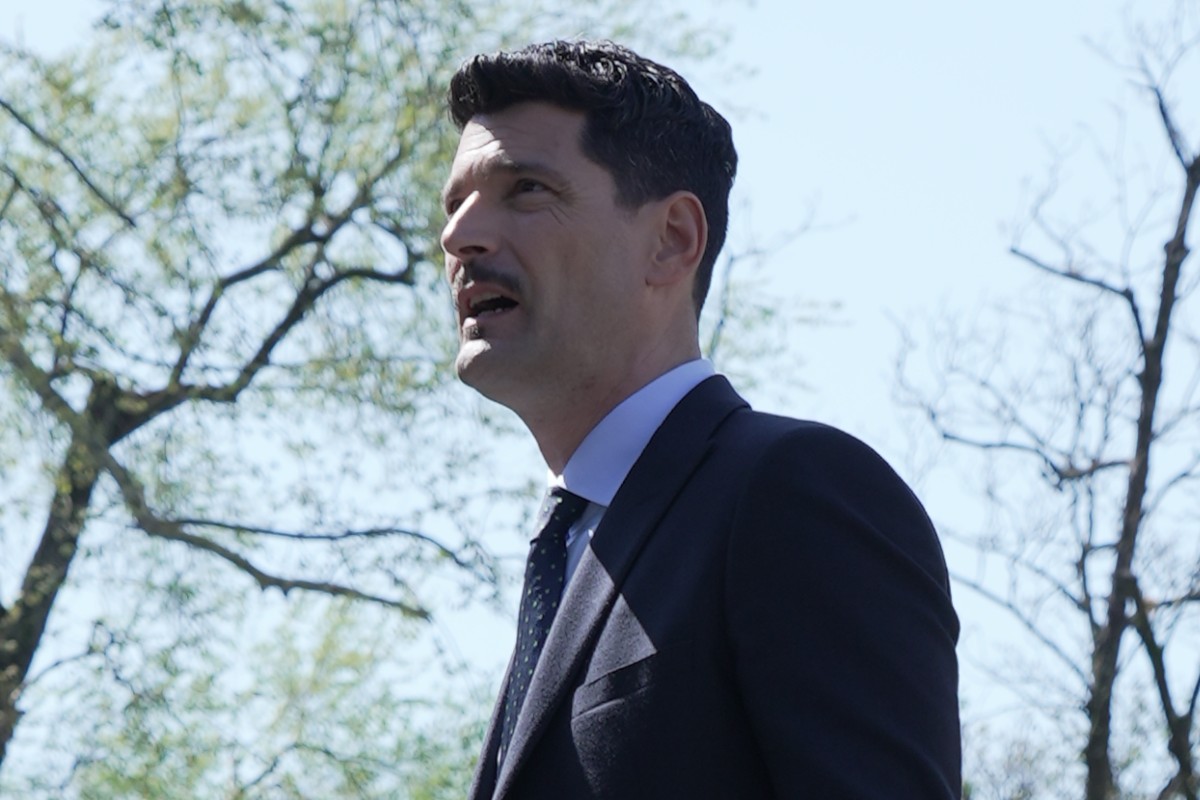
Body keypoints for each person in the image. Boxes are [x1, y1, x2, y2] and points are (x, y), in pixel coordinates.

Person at [440, 40, 961, 800]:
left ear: (672, 240)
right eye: (454, 204)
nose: (460, 236)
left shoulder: (794, 491)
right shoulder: (570, 548)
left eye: (525, 189)